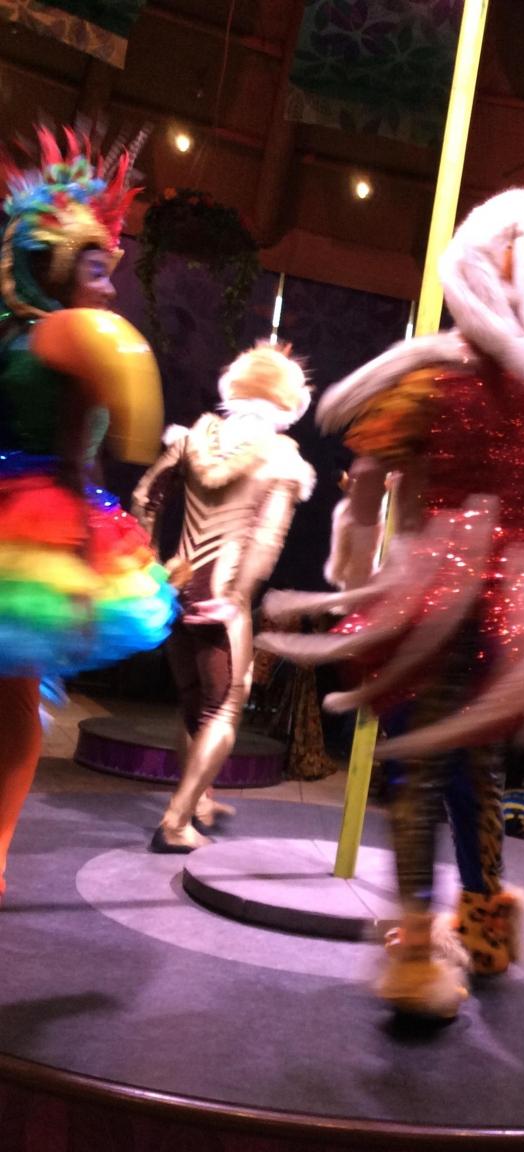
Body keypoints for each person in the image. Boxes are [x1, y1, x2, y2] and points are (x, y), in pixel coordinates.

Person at [257, 187, 524, 1019]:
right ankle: (481, 928)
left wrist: (361, 554)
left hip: (438, 598)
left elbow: (368, 481)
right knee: (471, 768)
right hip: (508, 611)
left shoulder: (434, 380)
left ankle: (421, 948)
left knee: (423, 771)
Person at [0, 126, 175, 896]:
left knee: (15, 698)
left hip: (32, 527)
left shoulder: (63, 338)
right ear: (56, 269)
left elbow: (87, 456)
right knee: (13, 702)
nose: (108, 286)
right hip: (29, 520)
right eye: (96, 268)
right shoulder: (58, 335)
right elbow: (89, 452)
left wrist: (75, 557)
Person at [132, 343, 315, 852]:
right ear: (289, 399)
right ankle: (177, 822)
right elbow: (266, 540)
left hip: (176, 587)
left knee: (194, 702)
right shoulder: (281, 457)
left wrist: (150, 565)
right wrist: (235, 597)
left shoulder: (193, 437)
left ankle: (200, 801)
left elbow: (146, 498)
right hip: (220, 595)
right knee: (224, 711)